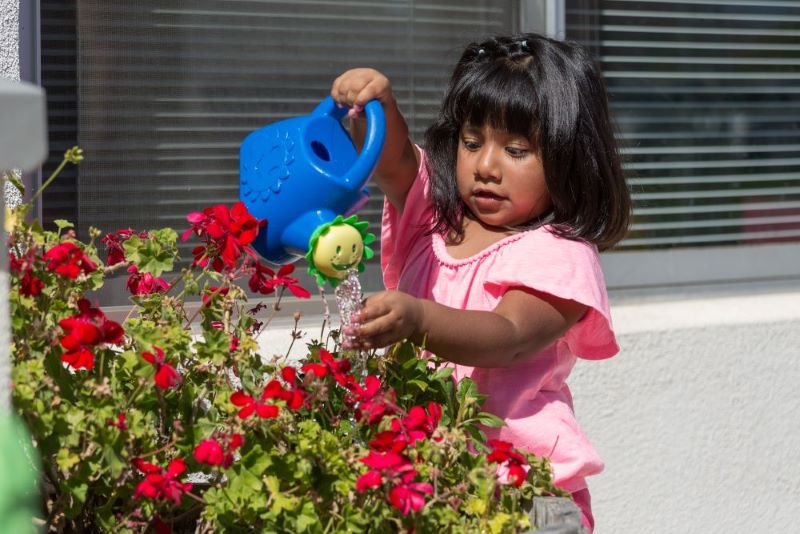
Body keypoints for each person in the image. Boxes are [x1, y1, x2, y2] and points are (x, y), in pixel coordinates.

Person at [331, 32, 631, 532]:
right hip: (437, 478)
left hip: (532, 493)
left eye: (516, 150)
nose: (486, 166)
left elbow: (508, 338)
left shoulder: (560, 254)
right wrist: (377, 106)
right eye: (473, 142)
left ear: (568, 157)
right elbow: (396, 162)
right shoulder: (433, 221)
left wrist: (419, 317)